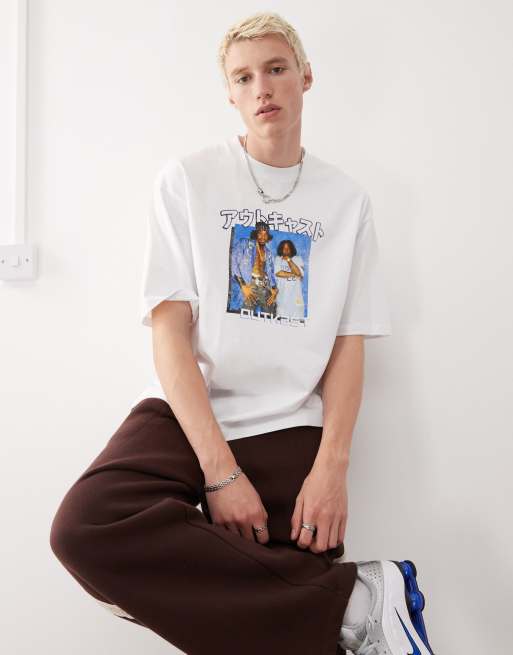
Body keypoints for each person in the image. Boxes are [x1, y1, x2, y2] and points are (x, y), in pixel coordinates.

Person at [49, 11, 437, 655]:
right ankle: (359, 599)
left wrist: (332, 467)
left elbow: (349, 341)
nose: (262, 88)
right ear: (229, 93)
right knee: (86, 529)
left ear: (305, 77)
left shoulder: (346, 201)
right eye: (243, 77)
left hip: (290, 421)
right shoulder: (188, 180)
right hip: (188, 412)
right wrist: (220, 472)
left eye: (276, 69)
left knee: (282, 631)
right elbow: (170, 335)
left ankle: (350, 608)